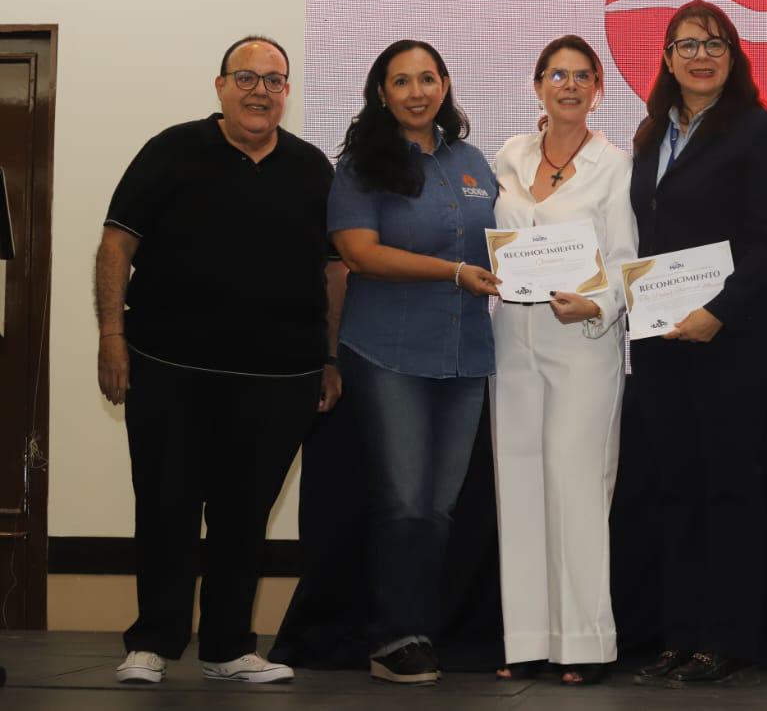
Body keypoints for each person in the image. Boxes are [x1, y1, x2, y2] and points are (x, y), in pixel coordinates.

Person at [95, 35, 343, 685]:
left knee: (244, 513)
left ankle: (228, 647)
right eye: (246, 77)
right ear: (220, 85)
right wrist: (110, 336)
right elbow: (117, 244)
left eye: (274, 80)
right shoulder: (170, 150)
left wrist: (328, 356)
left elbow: (334, 269)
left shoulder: (314, 167)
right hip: (166, 366)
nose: (260, 90)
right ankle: (153, 640)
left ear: (287, 92)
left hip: (280, 376)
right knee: (166, 503)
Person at [628, 0, 767, 688]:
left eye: (716, 44)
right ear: (667, 56)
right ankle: (679, 634)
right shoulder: (646, 136)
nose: (701, 56)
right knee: (675, 488)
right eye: (688, 44)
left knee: (729, 487)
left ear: (734, 57)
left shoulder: (761, 130)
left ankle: (727, 638)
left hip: (735, 336)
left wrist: (717, 311)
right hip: (662, 337)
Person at [327, 39, 499, 685]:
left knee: (439, 506)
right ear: (382, 93)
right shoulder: (361, 166)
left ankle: (420, 628)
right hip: (388, 352)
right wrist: (455, 271)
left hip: (467, 357)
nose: (417, 91)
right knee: (403, 500)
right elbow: (360, 253)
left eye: (428, 78)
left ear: (446, 84)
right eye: (402, 81)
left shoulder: (473, 159)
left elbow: (506, 242)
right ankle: (392, 635)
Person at [490, 36, 637, 686]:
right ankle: (526, 637)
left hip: (581, 342)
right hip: (511, 339)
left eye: (582, 75)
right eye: (557, 73)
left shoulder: (615, 164)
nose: (569, 85)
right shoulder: (509, 155)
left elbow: (626, 257)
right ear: (537, 84)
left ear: (598, 88)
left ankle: (584, 643)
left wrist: (597, 303)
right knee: (517, 481)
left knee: (576, 486)